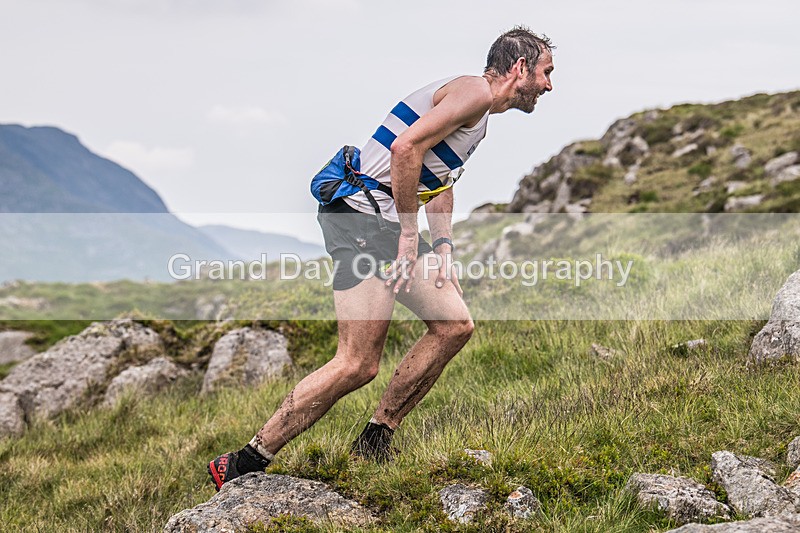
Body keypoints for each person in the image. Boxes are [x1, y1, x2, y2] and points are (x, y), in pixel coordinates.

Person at [207, 26, 555, 490]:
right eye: (547, 72)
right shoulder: (473, 92)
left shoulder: (481, 113)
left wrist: (444, 246)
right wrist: (411, 235)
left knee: (455, 325)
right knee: (357, 362)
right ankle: (242, 463)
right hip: (362, 219)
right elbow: (403, 149)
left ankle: (375, 439)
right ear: (520, 68)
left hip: (383, 223)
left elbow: (439, 178)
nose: (549, 85)